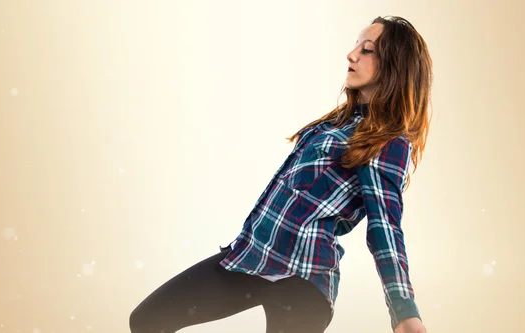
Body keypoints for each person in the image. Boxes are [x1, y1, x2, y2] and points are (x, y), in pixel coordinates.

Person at [129, 15, 432, 333]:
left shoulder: (388, 141)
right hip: (250, 257)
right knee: (148, 320)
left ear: (395, 65)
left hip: (303, 279)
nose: (352, 54)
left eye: (367, 49)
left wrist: (404, 310)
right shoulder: (333, 124)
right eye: (356, 44)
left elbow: (385, 227)